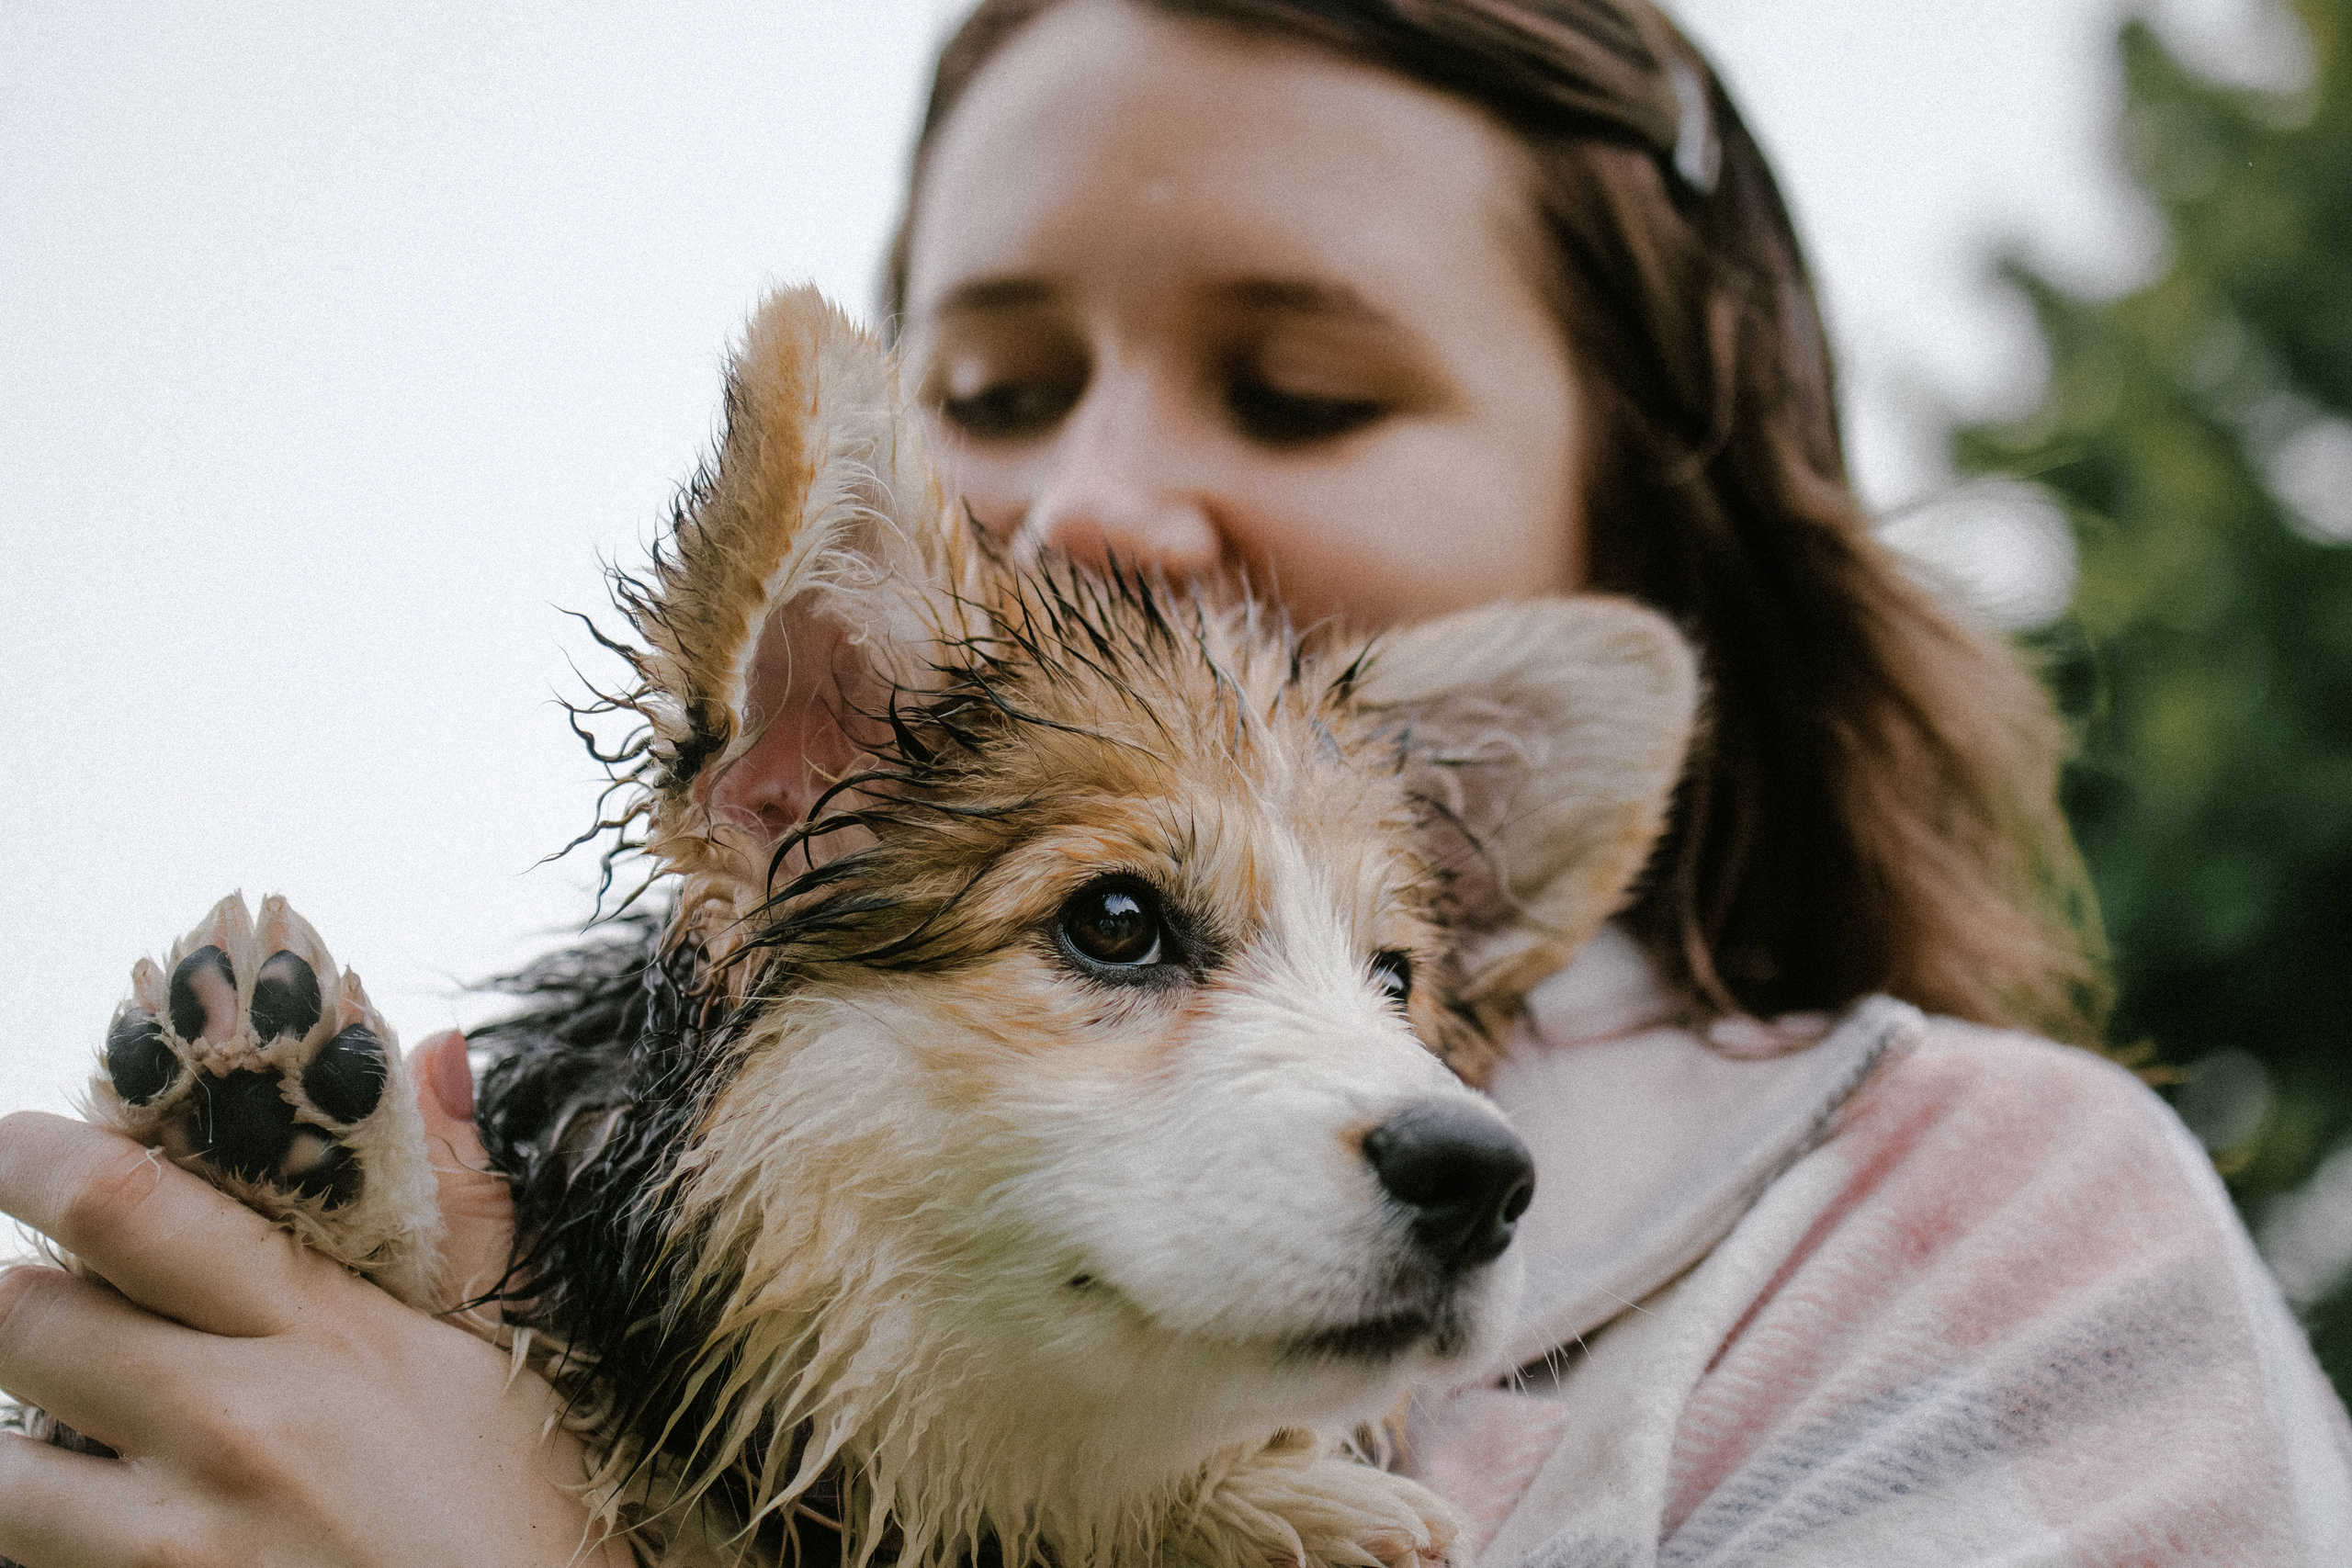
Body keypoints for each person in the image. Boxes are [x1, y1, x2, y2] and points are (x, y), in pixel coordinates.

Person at [3, 0, 2346, 1562]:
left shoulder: (1970, 1229)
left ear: (1640, 517)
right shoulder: (709, 1092)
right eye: (1001, 389)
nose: (1104, 498)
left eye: (1301, 388)